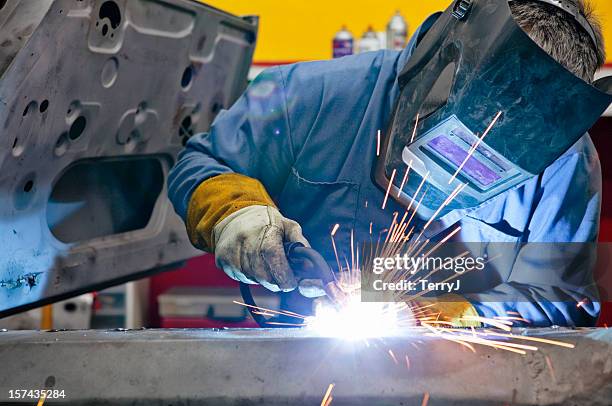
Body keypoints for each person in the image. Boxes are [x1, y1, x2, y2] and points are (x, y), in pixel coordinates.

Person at [168, 0, 608, 326]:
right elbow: (202, 163)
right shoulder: (308, 96)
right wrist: (234, 212)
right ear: (439, 63)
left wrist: (445, 314)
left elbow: (555, 293)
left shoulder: (563, 161)